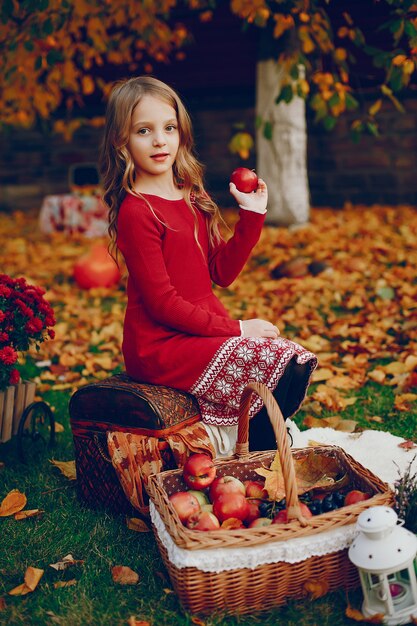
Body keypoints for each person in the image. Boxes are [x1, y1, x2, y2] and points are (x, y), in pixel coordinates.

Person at [100, 76, 317, 456]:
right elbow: (162, 303)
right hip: (159, 345)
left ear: (181, 132)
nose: (159, 141)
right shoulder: (138, 211)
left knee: (292, 360)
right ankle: (262, 457)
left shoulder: (191, 193)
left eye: (168, 128)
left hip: (200, 331)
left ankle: (263, 450)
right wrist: (237, 329)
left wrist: (251, 216)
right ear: (122, 141)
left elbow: (222, 272)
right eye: (143, 131)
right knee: (277, 361)